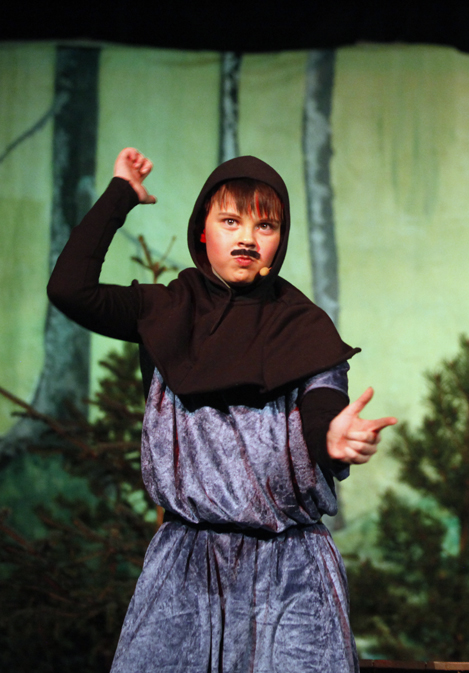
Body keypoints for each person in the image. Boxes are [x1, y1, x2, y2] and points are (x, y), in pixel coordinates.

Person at [47, 148, 396, 672]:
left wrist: (333, 437)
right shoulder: (165, 309)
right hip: (186, 564)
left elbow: (324, 401)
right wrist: (122, 193)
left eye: (265, 225)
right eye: (230, 220)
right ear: (203, 231)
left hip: (291, 571)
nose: (247, 237)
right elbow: (69, 289)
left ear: (280, 240)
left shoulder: (303, 325)